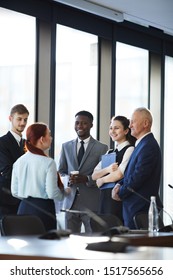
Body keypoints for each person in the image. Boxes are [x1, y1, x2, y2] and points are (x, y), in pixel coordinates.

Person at [112, 107, 163, 229]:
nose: (130, 126)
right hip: (133, 207)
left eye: (133, 122)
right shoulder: (141, 144)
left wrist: (121, 192)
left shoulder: (148, 145)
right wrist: (119, 184)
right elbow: (131, 172)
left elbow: (139, 176)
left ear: (145, 123)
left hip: (139, 209)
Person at [58, 110, 108, 233]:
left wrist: (87, 179)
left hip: (91, 202)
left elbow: (104, 174)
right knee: (70, 240)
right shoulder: (66, 146)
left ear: (91, 125)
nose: (80, 126)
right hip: (70, 201)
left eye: (84, 123)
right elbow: (61, 170)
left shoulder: (101, 148)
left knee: (93, 238)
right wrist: (67, 179)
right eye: (77, 123)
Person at [11, 122, 64, 231]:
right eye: (49, 135)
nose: (51, 138)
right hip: (42, 211)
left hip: (23, 208)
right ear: (41, 139)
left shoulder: (18, 162)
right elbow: (52, 193)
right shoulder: (48, 162)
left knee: (26, 244)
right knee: (44, 246)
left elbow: (14, 192)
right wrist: (64, 194)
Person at [92, 116, 136, 222]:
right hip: (104, 197)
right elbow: (94, 175)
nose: (112, 131)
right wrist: (108, 169)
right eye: (111, 128)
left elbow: (119, 174)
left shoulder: (130, 149)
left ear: (126, 131)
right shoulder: (110, 152)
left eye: (116, 128)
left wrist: (102, 180)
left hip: (116, 197)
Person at [0, 104, 29, 220]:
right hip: (7, 199)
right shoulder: (2, 142)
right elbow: (7, 171)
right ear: (10, 119)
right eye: (19, 119)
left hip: (25, 200)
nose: (22, 123)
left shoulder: (28, 144)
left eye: (25, 120)